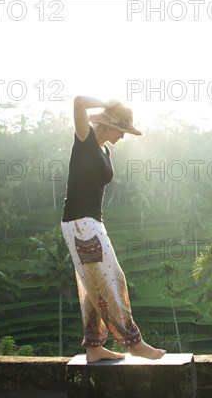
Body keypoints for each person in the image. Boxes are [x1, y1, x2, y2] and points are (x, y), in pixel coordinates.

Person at [60, 96, 166, 362]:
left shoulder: (106, 150)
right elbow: (78, 102)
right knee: (113, 280)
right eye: (122, 130)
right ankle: (133, 342)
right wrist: (107, 103)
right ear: (108, 125)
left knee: (93, 286)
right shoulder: (85, 140)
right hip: (79, 223)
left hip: (91, 222)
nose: (123, 136)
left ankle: (94, 347)